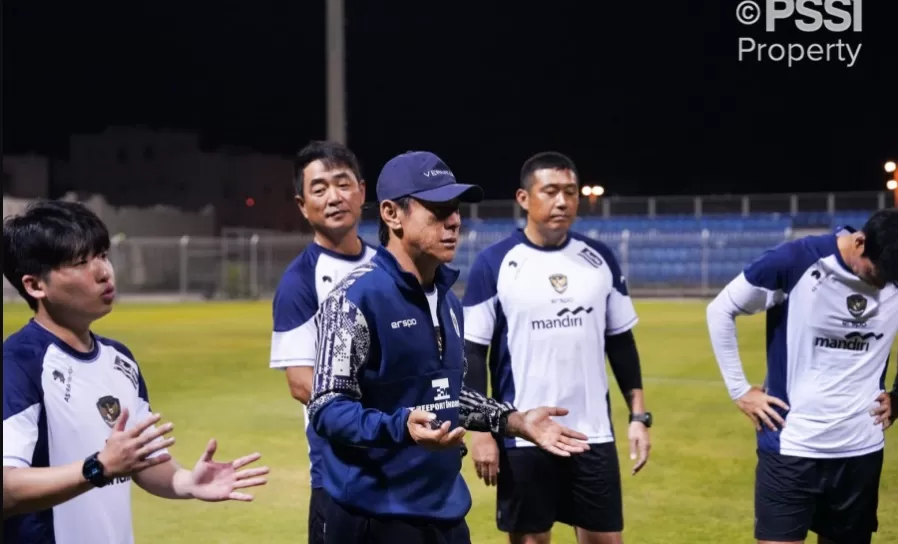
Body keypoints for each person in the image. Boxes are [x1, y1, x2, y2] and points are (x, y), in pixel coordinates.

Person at [307, 150, 590, 544]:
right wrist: (399, 427)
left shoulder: (449, 300)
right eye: (438, 209)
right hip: (373, 516)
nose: (454, 220)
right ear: (392, 214)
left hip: (444, 513)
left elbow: (447, 394)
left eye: (455, 209)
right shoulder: (353, 298)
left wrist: (513, 421)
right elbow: (327, 406)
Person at [2, 200, 269, 544]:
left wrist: (186, 482)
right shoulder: (17, 365)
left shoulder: (120, 360)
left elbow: (142, 462)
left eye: (102, 255)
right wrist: (98, 466)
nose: (103, 272)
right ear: (36, 286)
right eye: (81, 262)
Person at [461, 151, 652, 544]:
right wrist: (481, 432)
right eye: (550, 191)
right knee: (531, 539)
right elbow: (473, 354)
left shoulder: (600, 259)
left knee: (606, 540)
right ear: (524, 198)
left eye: (570, 191)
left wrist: (639, 417)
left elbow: (621, 343)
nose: (562, 201)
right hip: (524, 433)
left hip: (592, 433)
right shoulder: (493, 263)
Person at [706, 208, 898, 544]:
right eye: (876, 272)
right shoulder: (796, 260)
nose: (882, 283)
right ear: (860, 242)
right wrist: (739, 389)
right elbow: (721, 309)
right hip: (791, 447)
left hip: (860, 453)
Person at [269, 140, 375, 544]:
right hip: (339, 471)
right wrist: (382, 421)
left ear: (362, 192)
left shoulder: (387, 266)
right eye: (319, 188)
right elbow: (301, 382)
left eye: (343, 184)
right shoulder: (300, 281)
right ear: (302, 204)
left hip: (402, 463)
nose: (333, 197)